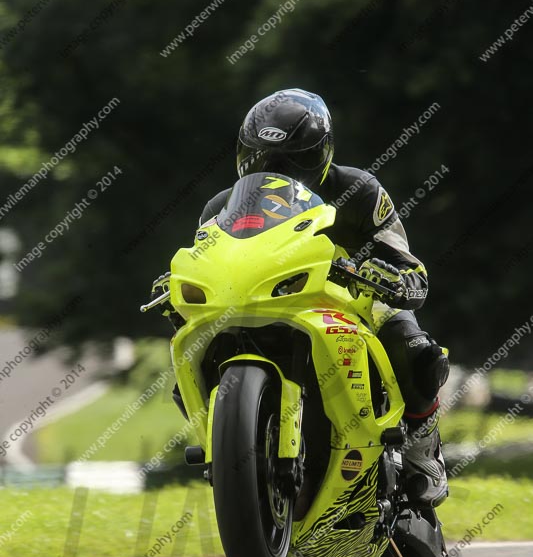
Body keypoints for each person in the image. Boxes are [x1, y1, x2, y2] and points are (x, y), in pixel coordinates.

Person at [155, 88, 450, 508]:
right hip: (261, 300)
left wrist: (398, 277)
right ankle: (228, 456)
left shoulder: (360, 189)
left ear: (323, 153)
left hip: (353, 303)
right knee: (187, 378)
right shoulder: (221, 208)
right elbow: (209, 259)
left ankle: (424, 453)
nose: (277, 170)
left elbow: (405, 260)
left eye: (294, 160)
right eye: (263, 160)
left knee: (417, 351)